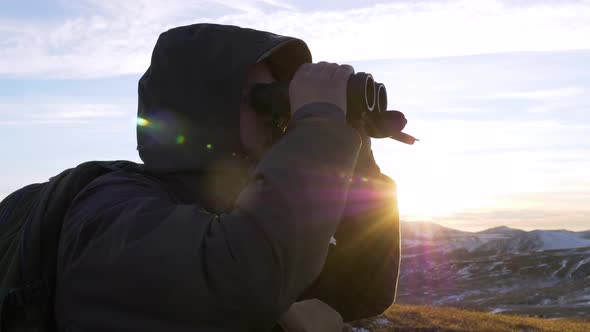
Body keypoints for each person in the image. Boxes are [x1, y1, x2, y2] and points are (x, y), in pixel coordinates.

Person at [54, 23, 400, 331]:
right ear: (204, 104)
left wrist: (353, 147)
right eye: (262, 99)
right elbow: (239, 282)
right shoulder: (110, 208)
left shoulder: (245, 210)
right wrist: (320, 124)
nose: (278, 115)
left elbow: (360, 290)